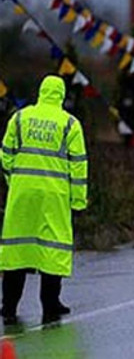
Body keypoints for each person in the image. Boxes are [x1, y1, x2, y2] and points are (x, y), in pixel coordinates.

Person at [0, 75, 88, 324]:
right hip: (54, 196)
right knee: (52, 248)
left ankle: (9, 306)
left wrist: (14, 180)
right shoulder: (70, 124)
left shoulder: (20, 118)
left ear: (40, 92)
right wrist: (78, 202)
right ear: (61, 96)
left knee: (17, 249)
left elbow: (5, 154)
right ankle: (50, 304)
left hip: (22, 194)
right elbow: (78, 166)